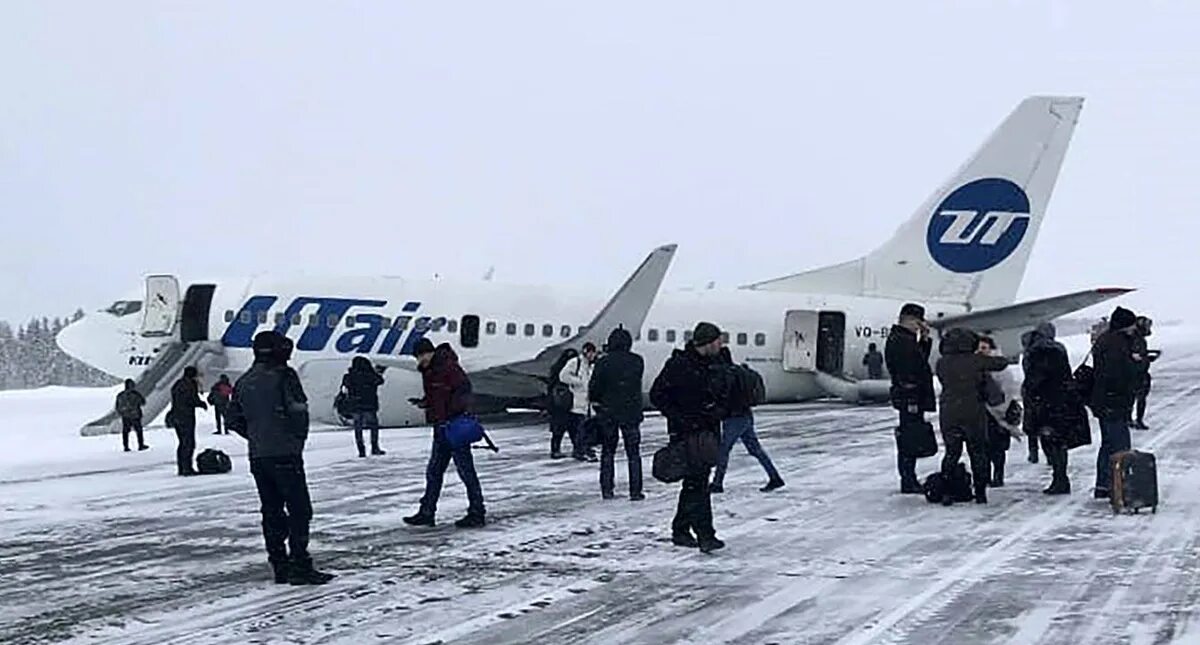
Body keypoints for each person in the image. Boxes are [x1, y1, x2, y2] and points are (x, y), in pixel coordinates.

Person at [225, 331, 334, 585]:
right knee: (299, 510)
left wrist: (256, 435)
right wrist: (294, 439)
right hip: (285, 453)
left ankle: (279, 564)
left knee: (271, 510)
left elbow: (233, 419)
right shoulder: (284, 376)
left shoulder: (244, 381)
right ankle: (300, 564)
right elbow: (298, 412)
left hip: (259, 455)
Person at [650, 322, 730, 554]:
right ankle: (706, 535)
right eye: (718, 341)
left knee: (694, 483)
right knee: (698, 484)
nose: (721, 345)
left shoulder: (715, 365)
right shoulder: (679, 365)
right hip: (686, 433)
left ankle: (681, 529)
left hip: (706, 432)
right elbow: (658, 394)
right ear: (708, 342)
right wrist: (680, 418)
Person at [404, 338, 486, 528]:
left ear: (429, 352)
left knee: (466, 472)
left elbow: (464, 391)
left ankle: (477, 512)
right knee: (434, 472)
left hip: (454, 427)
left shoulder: (449, 368)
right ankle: (427, 512)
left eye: (421, 355)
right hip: (440, 427)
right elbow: (438, 395)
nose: (419, 360)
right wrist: (426, 403)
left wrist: (453, 411)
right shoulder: (429, 371)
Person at [935, 328, 1011, 505]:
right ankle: (980, 492)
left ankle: (947, 491)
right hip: (973, 412)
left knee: (951, 453)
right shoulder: (976, 361)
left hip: (949, 412)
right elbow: (1002, 363)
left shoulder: (941, 363)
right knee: (978, 453)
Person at [710, 346, 784, 494]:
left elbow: (723, 397)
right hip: (746, 415)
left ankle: (717, 483)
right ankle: (775, 477)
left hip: (733, 418)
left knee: (723, 450)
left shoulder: (724, 374)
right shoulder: (739, 371)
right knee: (756, 450)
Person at [884, 303, 937, 494]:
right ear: (911, 320)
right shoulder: (901, 341)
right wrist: (913, 398)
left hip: (908, 396)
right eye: (918, 322)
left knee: (910, 436)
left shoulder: (904, 339)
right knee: (909, 437)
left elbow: (918, 361)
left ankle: (909, 477)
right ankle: (908, 479)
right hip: (909, 397)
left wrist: (924, 340)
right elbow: (911, 371)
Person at [589, 328, 645, 501]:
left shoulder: (603, 362)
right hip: (630, 412)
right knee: (633, 454)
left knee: (608, 453)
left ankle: (607, 489)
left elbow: (595, 387)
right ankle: (635, 491)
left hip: (608, 412)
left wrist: (598, 403)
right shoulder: (637, 361)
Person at [1023, 322, 1078, 495]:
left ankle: (1059, 478)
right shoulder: (1058, 350)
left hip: (1042, 402)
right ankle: (1061, 477)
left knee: (1048, 439)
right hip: (1059, 401)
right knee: (1058, 441)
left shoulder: (1033, 351)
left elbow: (1033, 379)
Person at [1092, 307, 1141, 499]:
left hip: (1105, 402)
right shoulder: (1116, 344)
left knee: (1108, 444)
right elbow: (1117, 375)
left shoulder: (1106, 340)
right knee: (1120, 446)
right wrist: (1136, 363)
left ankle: (1104, 485)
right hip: (1114, 402)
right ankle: (1119, 486)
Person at [979, 336, 1022, 488]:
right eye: (979, 348)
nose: (981, 351)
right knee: (983, 447)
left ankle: (998, 475)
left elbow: (1008, 391)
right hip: (981, 412)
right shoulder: (977, 365)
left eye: (984, 348)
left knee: (997, 447)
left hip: (997, 411)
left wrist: (1000, 410)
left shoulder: (1000, 368)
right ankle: (985, 475)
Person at [560, 343, 599, 463]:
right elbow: (563, 376)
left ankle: (582, 450)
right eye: (591, 353)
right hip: (577, 402)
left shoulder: (590, 365)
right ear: (586, 352)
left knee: (584, 429)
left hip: (587, 403)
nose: (593, 355)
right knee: (581, 428)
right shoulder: (575, 362)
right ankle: (580, 451)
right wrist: (579, 382)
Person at [341, 356, 387, 458]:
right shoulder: (370, 375)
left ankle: (361, 450)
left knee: (358, 427)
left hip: (355, 405)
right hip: (369, 404)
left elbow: (344, 388)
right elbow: (380, 381)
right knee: (373, 426)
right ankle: (375, 447)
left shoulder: (349, 376)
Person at [168, 366, 207, 476]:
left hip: (176, 415)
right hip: (186, 417)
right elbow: (191, 399)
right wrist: (201, 404)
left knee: (182, 443)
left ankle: (182, 467)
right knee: (188, 443)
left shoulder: (177, 383)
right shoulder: (190, 384)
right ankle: (187, 468)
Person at [547, 348, 580, 459]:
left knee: (558, 431)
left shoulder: (556, 368)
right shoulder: (573, 370)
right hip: (569, 403)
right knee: (574, 429)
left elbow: (550, 387)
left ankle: (555, 450)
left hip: (558, 405)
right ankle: (577, 449)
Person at [1130, 316, 1159, 430]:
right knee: (1139, 397)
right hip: (1138, 373)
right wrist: (1147, 358)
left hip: (1137, 372)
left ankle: (1133, 419)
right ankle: (1137, 420)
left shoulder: (1136, 339)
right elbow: (1136, 355)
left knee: (1134, 397)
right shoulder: (1137, 339)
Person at [115, 379, 148, 452]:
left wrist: (122, 413)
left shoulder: (120, 395)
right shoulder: (135, 394)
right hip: (135, 415)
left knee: (126, 431)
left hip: (125, 416)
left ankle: (126, 446)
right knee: (138, 431)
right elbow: (143, 402)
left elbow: (117, 406)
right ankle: (140, 445)